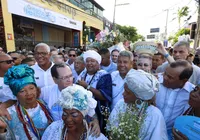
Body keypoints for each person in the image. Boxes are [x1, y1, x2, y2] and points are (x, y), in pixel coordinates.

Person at [40, 62, 101, 136]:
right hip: (56, 133)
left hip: (76, 132)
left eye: (70, 76)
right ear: (55, 80)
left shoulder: (81, 91)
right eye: (65, 77)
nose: (69, 80)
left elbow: (92, 111)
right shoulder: (46, 92)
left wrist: (95, 121)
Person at [108, 69, 168, 140]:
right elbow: (111, 130)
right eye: (124, 90)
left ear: (139, 96)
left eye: (127, 92)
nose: (123, 94)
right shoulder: (121, 104)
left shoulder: (155, 114)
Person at [0, 65, 53, 139]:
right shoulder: (9, 113)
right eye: (22, 91)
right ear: (15, 94)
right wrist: (2, 130)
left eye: (31, 88)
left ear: (36, 88)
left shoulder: (44, 104)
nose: (29, 93)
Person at [42, 84, 107, 140]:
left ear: (83, 114)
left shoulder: (96, 137)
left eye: (74, 115)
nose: (68, 119)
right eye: (65, 114)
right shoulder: (52, 129)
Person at [156, 60, 194, 139]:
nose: (165, 78)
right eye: (165, 73)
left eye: (170, 77)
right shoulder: (154, 81)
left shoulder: (192, 93)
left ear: (184, 81)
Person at [77, 50, 112, 133]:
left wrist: (87, 86)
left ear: (98, 63)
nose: (89, 63)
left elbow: (104, 96)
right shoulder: (83, 73)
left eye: (92, 61)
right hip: (83, 111)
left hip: (99, 111)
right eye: (87, 61)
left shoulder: (104, 75)